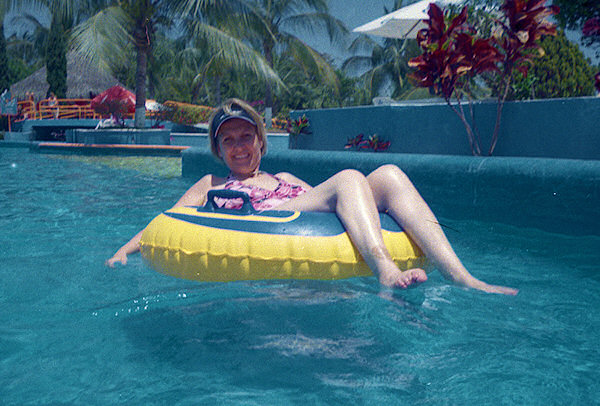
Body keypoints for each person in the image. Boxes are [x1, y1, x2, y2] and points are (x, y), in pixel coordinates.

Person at [107, 98, 518, 295]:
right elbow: (166, 223)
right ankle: (386, 270)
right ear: (218, 149)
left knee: (388, 174)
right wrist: (126, 250)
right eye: (228, 140)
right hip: (262, 219)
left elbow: (328, 214)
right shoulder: (211, 185)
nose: (239, 146)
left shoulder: (284, 175)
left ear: (260, 141)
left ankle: (463, 277)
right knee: (347, 178)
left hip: (296, 212)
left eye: (246, 136)